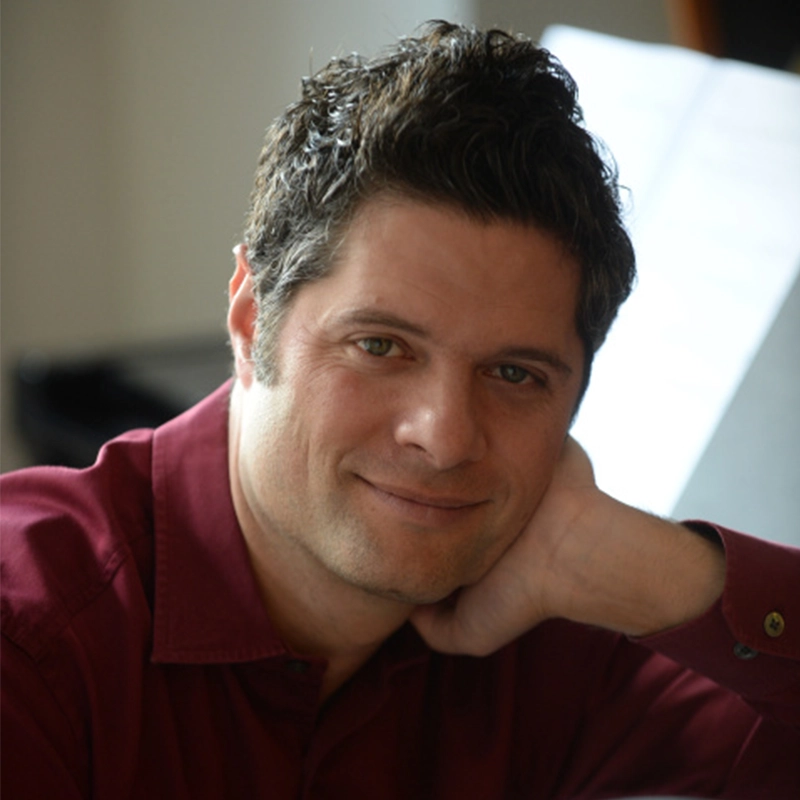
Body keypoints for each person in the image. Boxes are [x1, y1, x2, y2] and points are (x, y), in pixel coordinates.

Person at [1, 20, 798, 799]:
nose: (446, 437)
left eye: (515, 374)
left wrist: (679, 581)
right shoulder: (29, 640)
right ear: (250, 319)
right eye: (381, 346)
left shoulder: (550, 621)